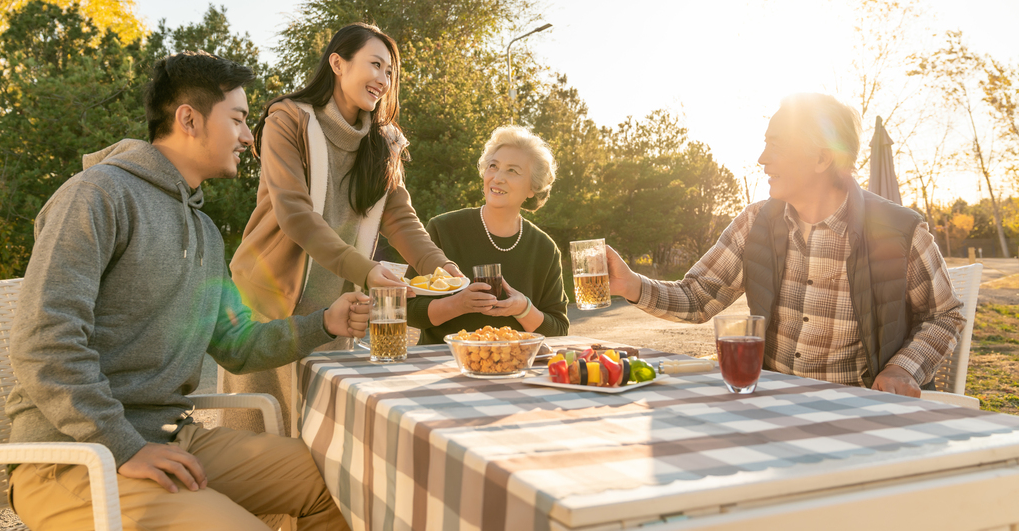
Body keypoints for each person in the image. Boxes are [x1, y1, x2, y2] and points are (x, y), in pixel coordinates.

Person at [7, 51, 367, 530]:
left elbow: (236, 345)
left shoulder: (204, 232)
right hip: (73, 454)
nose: (247, 137)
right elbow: (43, 342)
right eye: (238, 119)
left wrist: (323, 323)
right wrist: (124, 446)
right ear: (189, 119)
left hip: (175, 438)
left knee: (349, 487)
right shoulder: (97, 195)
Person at [606, 93, 965, 396]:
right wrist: (632, 285)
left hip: (857, 410)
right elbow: (699, 297)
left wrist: (904, 369)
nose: (762, 158)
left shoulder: (899, 230)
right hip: (771, 404)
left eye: (775, 146)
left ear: (822, 158)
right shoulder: (755, 222)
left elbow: (943, 316)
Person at [222, 22, 460, 433]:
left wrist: (441, 269)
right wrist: (368, 272)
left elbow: (400, 217)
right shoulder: (287, 120)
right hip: (269, 307)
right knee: (258, 436)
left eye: (390, 72)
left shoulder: (384, 141)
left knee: (322, 442)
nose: (384, 80)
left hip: (336, 315)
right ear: (337, 63)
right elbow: (295, 214)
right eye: (375, 65)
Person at [407, 126, 569, 344]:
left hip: (512, 366)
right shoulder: (443, 229)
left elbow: (558, 331)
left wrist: (523, 309)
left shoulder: (544, 249)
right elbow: (407, 309)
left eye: (513, 170)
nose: (498, 178)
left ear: (533, 187)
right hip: (442, 368)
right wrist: (458, 304)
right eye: (493, 166)